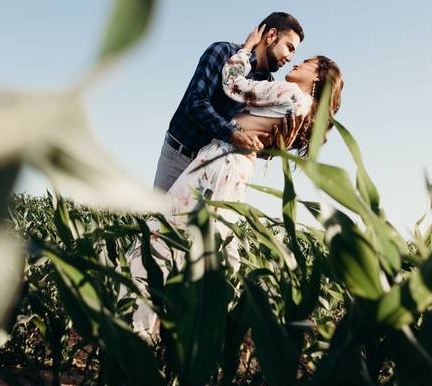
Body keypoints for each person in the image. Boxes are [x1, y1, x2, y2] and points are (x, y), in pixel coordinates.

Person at [128, 25, 344, 341]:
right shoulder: (298, 107)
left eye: (304, 61)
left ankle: (142, 328)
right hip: (232, 168)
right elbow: (259, 142)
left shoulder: (288, 93)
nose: (295, 62)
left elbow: (232, 85)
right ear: (272, 35)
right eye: (292, 50)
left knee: (162, 234)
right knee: (206, 245)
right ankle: (188, 327)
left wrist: (246, 48)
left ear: (317, 78)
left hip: (218, 162)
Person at [153, 12, 306, 192]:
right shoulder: (222, 52)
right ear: (271, 35)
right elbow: (196, 103)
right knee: (159, 218)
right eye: (289, 47)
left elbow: (250, 140)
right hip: (179, 156)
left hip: (214, 169)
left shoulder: (270, 87)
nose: (290, 58)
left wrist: (274, 149)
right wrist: (233, 134)